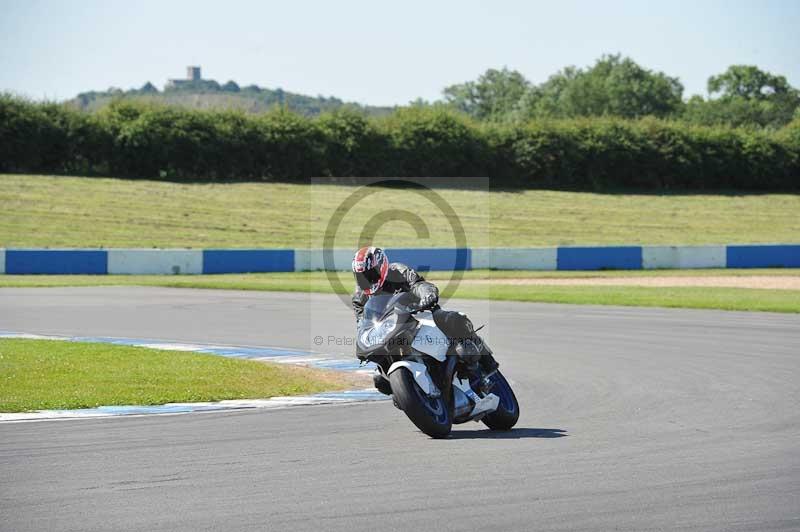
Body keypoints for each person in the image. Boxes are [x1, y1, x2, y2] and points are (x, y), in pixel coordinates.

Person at [351, 246, 487, 393]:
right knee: (380, 380)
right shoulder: (359, 298)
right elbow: (363, 323)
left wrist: (427, 295)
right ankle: (413, 395)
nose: (366, 279)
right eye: (361, 276)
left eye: (370, 273)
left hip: (420, 315)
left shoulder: (397, 271)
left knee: (455, 319)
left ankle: (481, 365)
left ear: (381, 267)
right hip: (390, 331)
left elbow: (418, 285)